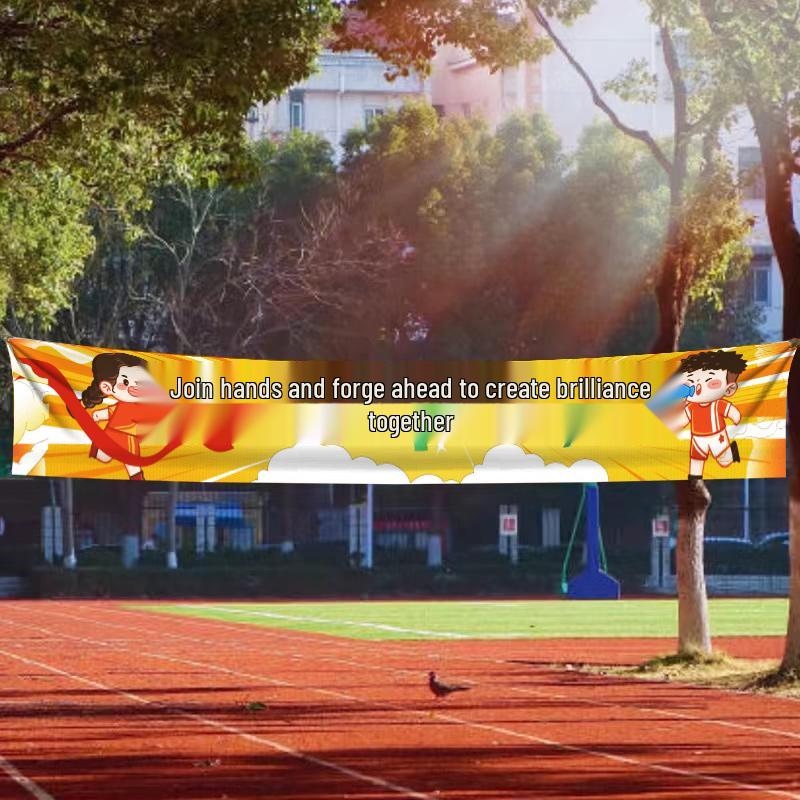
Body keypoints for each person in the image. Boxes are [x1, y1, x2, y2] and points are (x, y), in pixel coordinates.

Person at [81, 353, 170, 480]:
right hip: (112, 434)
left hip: (128, 438)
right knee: (102, 456)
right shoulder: (128, 404)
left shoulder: (142, 404)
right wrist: (99, 415)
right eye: (126, 382)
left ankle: (137, 479)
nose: (136, 387)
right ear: (107, 387)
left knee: (131, 463)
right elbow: (113, 411)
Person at [675, 349, 747, 479]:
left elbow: (733, 413)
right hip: (697, 439)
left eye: (710, 382)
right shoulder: (691, 407)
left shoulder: (718, 404)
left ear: (729, 389)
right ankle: (694, 479)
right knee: (696, 460)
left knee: (724, 460)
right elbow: (682, 420)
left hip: (717, 436)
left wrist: (737, 419)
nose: (698, 388)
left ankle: (733, 451)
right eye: (692, 382)